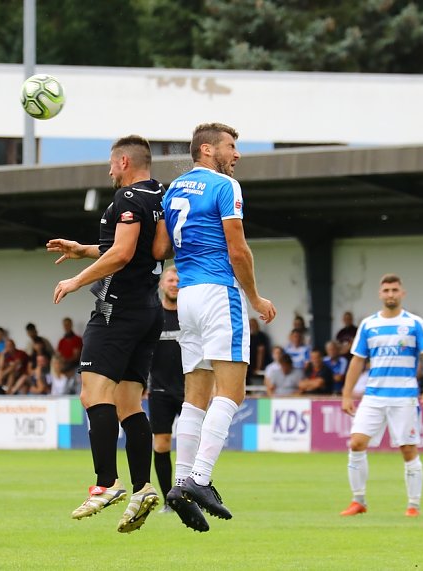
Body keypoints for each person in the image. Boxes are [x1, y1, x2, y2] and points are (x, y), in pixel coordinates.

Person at [153, 122, 276, 532]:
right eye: (231, 146)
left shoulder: (173, 190)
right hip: (219, 292)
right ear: (207, 150)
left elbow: (158, 249)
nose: (236, 154)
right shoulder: (225, 187)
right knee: (233, 391)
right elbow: (238, 249)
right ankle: (200, 479)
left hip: (186, 295)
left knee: (196, 396)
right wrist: (255, 298)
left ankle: (178, 483)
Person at [47, 135, 164, 534]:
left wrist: (78, 279)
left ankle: (106, 483)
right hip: (149, 310)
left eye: (112, 164)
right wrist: (84, 248)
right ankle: (143, 487)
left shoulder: (129, 199)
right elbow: (151, 249)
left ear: (125, 161)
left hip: (118, 311)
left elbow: (124, 253)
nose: (109, 170)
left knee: (93, 394)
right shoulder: (158, 196)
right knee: (129, 403)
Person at [340, 273, 423, 519]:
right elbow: (357, 361)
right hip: (373, 396)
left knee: (407, 449)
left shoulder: (415, 323)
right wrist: (346, 394)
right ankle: (358, 500)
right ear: (380, 294)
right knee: (356, 443)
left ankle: (413, 505)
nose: (391, 294)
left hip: (404, 396)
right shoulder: (368, 325)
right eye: (386, 290)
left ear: (402, 293)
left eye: (395, 290)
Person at [147, 266, 185, 513]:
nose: (174, 283)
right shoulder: (152, 316)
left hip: (191, 388)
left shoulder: (190, 315)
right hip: (159, 390)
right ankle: (170, 502)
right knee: (161, 445)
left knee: (193, 444)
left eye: (178, 280)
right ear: (161, 284)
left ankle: (193, 497)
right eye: (170, 279)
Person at [247, 318, 271, 383]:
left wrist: (258, 367)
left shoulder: (261, 336)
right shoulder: (247, 336)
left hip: (260, 365)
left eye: (253, 325)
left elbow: (261, 352)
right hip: (249, 365)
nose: (251, 327)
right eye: (250, 325)